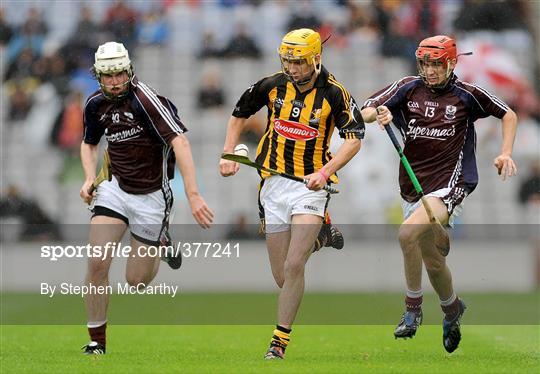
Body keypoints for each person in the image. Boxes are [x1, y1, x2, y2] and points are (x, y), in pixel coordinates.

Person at [361, 35, 518, 353]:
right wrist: (379, 114)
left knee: (406, 235)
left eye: (436, 64)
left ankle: (412, 308)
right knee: (433, 262)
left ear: (451, 63)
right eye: (425, 64)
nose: (430, 71)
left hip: (451, 182)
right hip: (412, 185)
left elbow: (509, 115)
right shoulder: (407, 87)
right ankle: (452, 310)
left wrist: (505, 152)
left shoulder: (467, 95)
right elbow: (364, 109)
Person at [220, 28, 364, 359]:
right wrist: (228, 153)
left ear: (316, 58)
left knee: (296, 263)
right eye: (287, 61)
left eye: (298, 62)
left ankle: (278, 342)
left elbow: (354, 137)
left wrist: (325, 172)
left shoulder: (334, 93)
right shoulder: (272, 85)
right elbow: (239, 113)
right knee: (282, 275)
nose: (292, 68)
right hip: (273, 184)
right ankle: (321, 237)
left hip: (310, 185)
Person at [79, 41, 214, 355]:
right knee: (97, 262)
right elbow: (89, 143)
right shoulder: (95, 103)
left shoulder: (146, 100)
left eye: (119, 74)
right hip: (114, 187)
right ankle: (96, 342)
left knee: (136, 281)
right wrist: (89, 177)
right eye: (107, 75)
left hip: (152, 195)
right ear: (98, 75)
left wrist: (193, 195)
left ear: (129, 70)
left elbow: (180, 143)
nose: (114, 81)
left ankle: (161, 243)